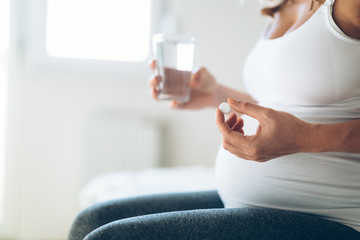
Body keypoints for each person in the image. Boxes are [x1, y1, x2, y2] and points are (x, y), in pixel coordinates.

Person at [68, 0, 360, 239]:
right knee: (93, 219)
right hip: (254, 205)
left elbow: (306, 120)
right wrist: (215, 95)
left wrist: (304, 138)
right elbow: (291, 103)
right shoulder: (280, 7)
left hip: (332, 217)